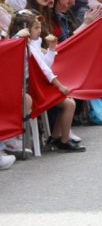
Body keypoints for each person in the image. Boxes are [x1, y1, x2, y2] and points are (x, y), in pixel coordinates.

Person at [10, 10, 85, 152]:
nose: (40, 30)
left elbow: (45, 64)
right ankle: (62, 140)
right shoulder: (25, 46)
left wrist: (51, 49)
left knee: (68, 103)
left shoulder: (33, 43)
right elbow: (44, 69)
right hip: (31, 88)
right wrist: (59, 85)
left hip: (38, 85)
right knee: (69, 104)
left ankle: (56, 138)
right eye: (36, 28)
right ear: (25, 30)